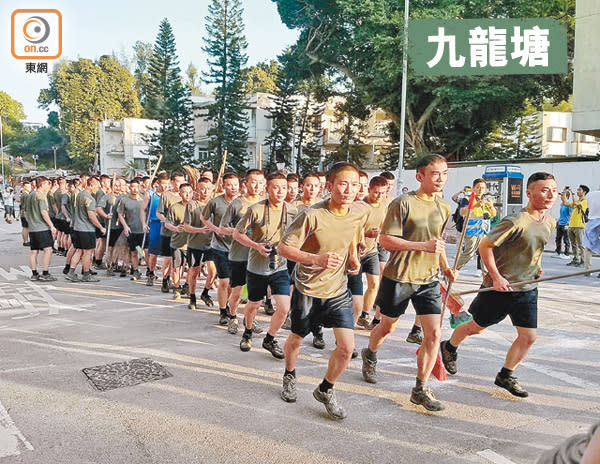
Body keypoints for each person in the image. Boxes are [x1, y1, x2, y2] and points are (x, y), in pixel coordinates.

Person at [440, 172, 558, 399]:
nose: (551, 194)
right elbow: (485, 246)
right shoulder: (515, 221)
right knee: (475, 327)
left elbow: (535, 250)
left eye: (554, 189)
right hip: (499, 289)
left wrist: (537, 266)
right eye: (544, 189)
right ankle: (450, 347)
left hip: (526, 288)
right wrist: (496, 277)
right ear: (529, 193)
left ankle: (506, 374)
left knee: (528, 336)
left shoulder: (549, 222)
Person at [361, 154, 456, 412]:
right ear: (420, 176)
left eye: (444, 173)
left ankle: (420, 388)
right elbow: (385, 240)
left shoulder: (444, 206)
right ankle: (370, 353)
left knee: (434, 334)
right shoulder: (403, 203)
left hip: (429, 280)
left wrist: (446, 268)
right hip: (399, 277)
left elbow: (438, 243)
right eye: (435, 173)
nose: (440, 178)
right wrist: (421, 246)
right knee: (388, 327)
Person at [277, 162, 364, 420]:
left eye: (355, 184)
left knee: (347, 348)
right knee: (296, 340)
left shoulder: (357, 214)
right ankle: (289, 375)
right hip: (308, 289)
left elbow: (350, 239)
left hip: (338, 291)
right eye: (343, 183)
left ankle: (326, 389)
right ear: (330, 186)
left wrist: (353, 258)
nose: (349, 190)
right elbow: (283, 249)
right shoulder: (312, 215)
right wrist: (317, 260)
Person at [233, 171, 292, 358]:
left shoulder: (292, 210)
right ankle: (247, 332)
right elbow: (237, 234)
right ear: (267, 189)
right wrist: (256, 246)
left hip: (280, 265)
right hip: (257, 266)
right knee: (253, 304)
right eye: (276, 187)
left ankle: (270, 338)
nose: (280, 191)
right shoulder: (256, 209)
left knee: (283, 307)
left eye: (284, 188)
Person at [219, 170, 264, 330]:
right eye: (253, 181)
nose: (257, 185)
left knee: (255, 294)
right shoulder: (237, 204)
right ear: (246, 183)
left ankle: (249, 320)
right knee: (237, 291)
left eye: (260, 181)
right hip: (239, 255)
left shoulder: (266, 202)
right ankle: (232, 317)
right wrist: (239, 232)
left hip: (259, 257)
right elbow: (222, 228)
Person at [202, 173, 240, 323]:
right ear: (223, 186)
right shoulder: (215, 202)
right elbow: (204, 218)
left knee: (234, 284)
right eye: (229, 184)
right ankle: (223, 311)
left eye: (235, 184)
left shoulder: (242, 203)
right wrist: (216, 229)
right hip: (219, 247)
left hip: (238, 249)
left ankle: (231, 308)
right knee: (224, 282)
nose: (233, 187)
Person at [355, 176, 390, 329]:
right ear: (369, 190)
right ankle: (351, 315)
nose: (379, 196)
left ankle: (364, 314)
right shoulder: (360, 206)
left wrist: (379, 234)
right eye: (376, 193)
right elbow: (356, 227)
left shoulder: (384, 206)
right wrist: (363, 238)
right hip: (355, 252)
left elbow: (383, 226)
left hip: (372, 251)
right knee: (353, 290)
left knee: (375, 284)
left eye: (382, 193)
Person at [66, 177, 106, 282]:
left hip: (77, 227)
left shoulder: (80, 195)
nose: (97, 188)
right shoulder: (89, 198)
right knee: (87, 252)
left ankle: (71, 272)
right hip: (86, 229)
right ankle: (86, 274)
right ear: (91, 185)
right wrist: (101, 227)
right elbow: (91, 216)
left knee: (79, 251)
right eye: (97, 186)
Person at [455, 178, 497, 276]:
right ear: (473, 188)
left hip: (484, 231)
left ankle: (486, 274)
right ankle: (453, 269)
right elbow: (462, 212)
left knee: (485, 253)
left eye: (482, 188)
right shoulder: (468, 198)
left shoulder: (486, 200)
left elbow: (494, 214)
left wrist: (490, 205)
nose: (480, 190)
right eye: (478, 187)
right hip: (472, 231)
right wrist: (476, 205)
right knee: (469, 253)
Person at [183, 177, 214, 309]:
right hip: (195, 244)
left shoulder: (214, 204)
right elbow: (186, 226)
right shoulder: (191, 205)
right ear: (197, 190)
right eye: (202, 188)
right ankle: (192, 296)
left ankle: (205, 292)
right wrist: (200, 230)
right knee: (194, 271)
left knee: (213, 271)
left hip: (212, 245)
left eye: (208, 188)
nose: (205, 191)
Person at [156, 173, 185, 292]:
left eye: (182, 181)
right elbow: (159, 213)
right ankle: (165, 279)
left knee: (180, 261)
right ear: (172, 182)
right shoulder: (166, 195)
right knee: (168, 259)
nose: (180, 184)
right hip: (168, 232)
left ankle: (177, 283)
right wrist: (168, 222)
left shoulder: (186, 195)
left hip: (182, 234)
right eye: (178, 181)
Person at [165, 183, 193, 299]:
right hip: (177, 242)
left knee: (192, 268)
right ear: (180, 193)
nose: (187, 194)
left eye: (189, 192)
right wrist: (175, 228)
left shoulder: (197, 207)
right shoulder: (174, 207)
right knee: (176, 266)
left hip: (192, 243)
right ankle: (177, 288)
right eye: (184, 192)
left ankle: (187, 285)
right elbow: (167, 224)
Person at [27, 177, 57, 281]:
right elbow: (44, 212)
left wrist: (31, 222)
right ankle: (45, 273)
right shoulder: (41, 196)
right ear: (42, 184)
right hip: (42, 228)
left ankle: (34, 274)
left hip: (32, 228)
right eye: (48, 184)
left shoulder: (30, 195)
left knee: (34, 251)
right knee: (48, 249)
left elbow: (25, 212)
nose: (49, 186)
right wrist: (51, 225)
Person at [142, 173, 170, 286]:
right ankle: (151, 272)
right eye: (163, 184)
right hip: (154, 224)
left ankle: (167, 277)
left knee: (169, 254)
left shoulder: (170, 195)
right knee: (153, 252)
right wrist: (144, 223)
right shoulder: (150, 194)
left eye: (167, 184)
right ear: (158, 183)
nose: (165, 186)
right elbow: (143, 210)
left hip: (168, 225)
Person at [117, 179, 146, 281]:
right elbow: (120, 214)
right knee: (134, 251)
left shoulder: (144, 199)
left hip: (143, 230)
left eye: (136, 187)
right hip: (131, 230)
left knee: (144, 251)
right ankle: (136, 270)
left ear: (140, 188)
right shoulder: (124, 200)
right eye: (132, 187)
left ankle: (149, 270)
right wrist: (125, 226)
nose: (134, 189)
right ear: (129, 188)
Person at [562, 185, 589, 267]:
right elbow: (565, 203)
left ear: (584, 192)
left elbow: (576, 204)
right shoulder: (576, 200)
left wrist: (572, 193)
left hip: (579, 226)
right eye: (577, 190)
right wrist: (564, 192)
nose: (577, 191)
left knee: (581, 245)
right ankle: (575, 259)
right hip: (572, 225)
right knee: (573, 244)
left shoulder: (584, 201)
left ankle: (583, 261)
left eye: (579, 190)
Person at [582, 185, 600, 277]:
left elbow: (587, 208)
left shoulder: (590, 195)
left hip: (592, 221)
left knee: (588, 247)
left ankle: (587, 270)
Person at [553, 187, 572, 260]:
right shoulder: (561, 204)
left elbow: (571, 215)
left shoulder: (569, 205)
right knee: (558, 238)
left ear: (566, 196)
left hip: (565, 224)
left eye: (562, 195)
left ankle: (567, 254)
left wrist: (568, 224)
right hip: (560, 223)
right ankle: (558, 251)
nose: (560, 196)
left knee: (566, 240)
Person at [19, 182, 32, 246]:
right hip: (25, 213)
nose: (30, 188)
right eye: (28, 187)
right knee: (26, 227)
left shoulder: (23, 194)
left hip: (23, 213)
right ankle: (26, 241)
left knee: (24, 227)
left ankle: (25, 240)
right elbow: (26, 206)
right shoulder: (26, 195)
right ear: (25, 187)